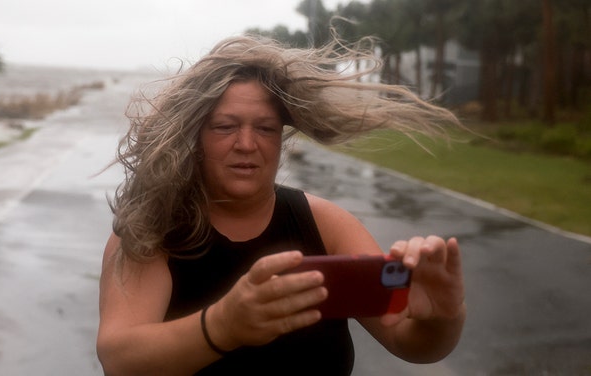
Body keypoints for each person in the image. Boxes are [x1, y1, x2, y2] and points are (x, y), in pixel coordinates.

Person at [96, 34, 466, 376]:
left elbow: (409, 341)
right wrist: (224, 326)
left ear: (281, 140)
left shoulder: (326, 225)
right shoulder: (152, 231)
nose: (246, 143)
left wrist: (443, 317)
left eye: (265, 128)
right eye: (225, 127)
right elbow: (119, 357)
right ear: (195, 137)